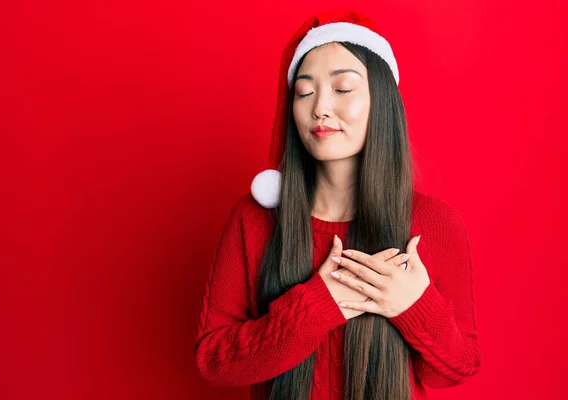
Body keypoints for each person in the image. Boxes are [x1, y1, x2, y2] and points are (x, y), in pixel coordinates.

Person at [194, 8, 481, 400]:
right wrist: (314, 306)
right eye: (305, 92)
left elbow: (457, 367)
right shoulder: (255, 219)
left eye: (342, 88)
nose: (320, 108)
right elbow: (214, 361)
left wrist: (413, 305)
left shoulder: (434, 222)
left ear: (381, 102)